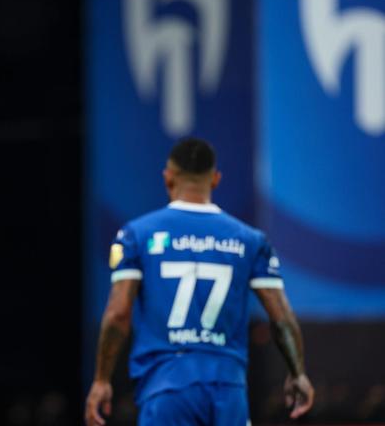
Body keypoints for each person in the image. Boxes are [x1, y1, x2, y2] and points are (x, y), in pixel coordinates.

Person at [85, 138, 314, 426]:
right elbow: (281, 318)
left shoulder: (137, 234)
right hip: (228, 389)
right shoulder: (250, 240)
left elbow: (118, 314)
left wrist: (101, 380)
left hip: (166, 387)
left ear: (168, 177)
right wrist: (298, 373)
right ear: (215, 179)